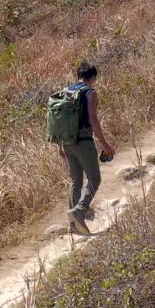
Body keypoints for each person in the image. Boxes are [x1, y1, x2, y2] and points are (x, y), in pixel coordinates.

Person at [58, 61, 114, 235]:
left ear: (78, 75)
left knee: (76, 180)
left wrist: (60, 146)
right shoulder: (90, 93)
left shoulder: (66, 91)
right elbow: (93, 120)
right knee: (94, 179)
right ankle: (79, 211)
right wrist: (104, 143)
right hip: (83, 141)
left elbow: (59, 120)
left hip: (67, 142)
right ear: (93, 77)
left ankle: (74, 226)